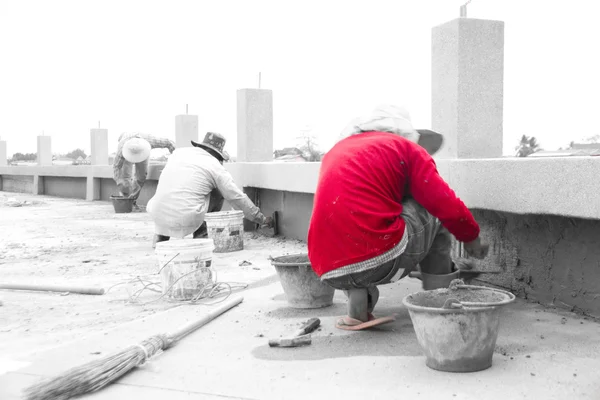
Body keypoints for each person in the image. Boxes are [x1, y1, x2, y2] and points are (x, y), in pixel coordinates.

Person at [307, 105, 489, 331]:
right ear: (404, 133)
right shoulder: (404, 148)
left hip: (326, 267)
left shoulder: (337, 152)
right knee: (432, 208)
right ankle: (439, 302)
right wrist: (471, 238)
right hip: (379, 256)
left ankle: (357, 310)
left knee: (354, 230)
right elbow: (444, 203)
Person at [147, 132, 273, 248]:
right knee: (218, 191)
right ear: (217, 154)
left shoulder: (178, 154)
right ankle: (201, 234)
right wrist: (260, 219)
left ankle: (160, 237)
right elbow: (235, 197)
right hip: (187, 217)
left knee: (177, 190)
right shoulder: (214, 166)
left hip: (156, 213)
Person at [113, 132, 176, 204]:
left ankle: (132, 201)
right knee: (125, 177)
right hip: (127, 150)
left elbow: (169, 143)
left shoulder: (151, 140)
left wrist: (176, 157)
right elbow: (116, 167)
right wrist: (120, 182)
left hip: (142, 150)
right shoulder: (122, 148)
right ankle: (125, 201)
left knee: (141, 176)